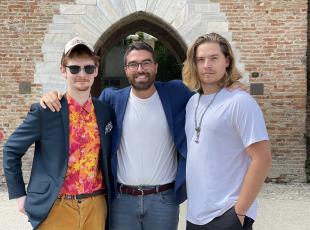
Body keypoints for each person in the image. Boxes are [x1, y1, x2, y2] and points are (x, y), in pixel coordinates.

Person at [40, 41, 243, 230]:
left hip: (163, 199)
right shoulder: (111, 99)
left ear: (155, 66)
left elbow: (207, 97)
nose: (140, 69)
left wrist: (229, 86)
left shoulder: (176, 93)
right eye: (133, 64)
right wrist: (55, 96)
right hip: (122, 200)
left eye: (146, 63)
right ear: (126, 70)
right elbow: (82, 108)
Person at [3, 37, 114, 230]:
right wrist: (19, 196)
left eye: (88, 68)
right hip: (56, 207)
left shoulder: (105, 112)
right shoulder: (46, 111)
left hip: (95, 207)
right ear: (63, 71)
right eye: (74, 68)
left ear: (96, 71)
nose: (82, 74)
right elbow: (11, 150)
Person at [183, 32, 272, 230]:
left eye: (214, 58)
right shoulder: (192, 103)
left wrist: (239, 212)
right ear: (194, 65)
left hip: (227, 214)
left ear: (227, 61)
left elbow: (262, 159)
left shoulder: (240, 102)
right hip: (196, 215)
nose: (207, 65)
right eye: (201, 59)